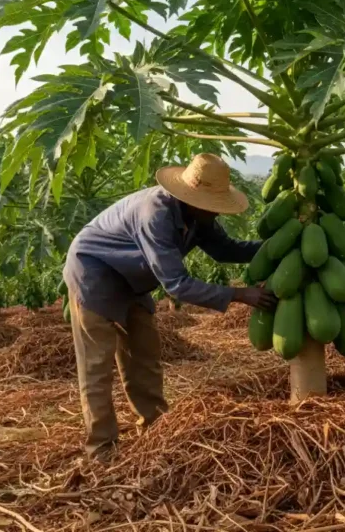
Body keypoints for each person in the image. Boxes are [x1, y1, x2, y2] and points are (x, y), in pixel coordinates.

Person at [63, 153, 277, 457]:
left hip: (132, 280)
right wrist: (240, 295)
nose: (216, 214)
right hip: (93, 274)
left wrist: (277, 247)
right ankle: (101, 449)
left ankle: (155, 430)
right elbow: (176, 284)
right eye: (213, 207)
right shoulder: (156, 215)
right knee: (97, 366)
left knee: (144, 354)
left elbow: (227, 249)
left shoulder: (199, 216)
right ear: (193, 199)